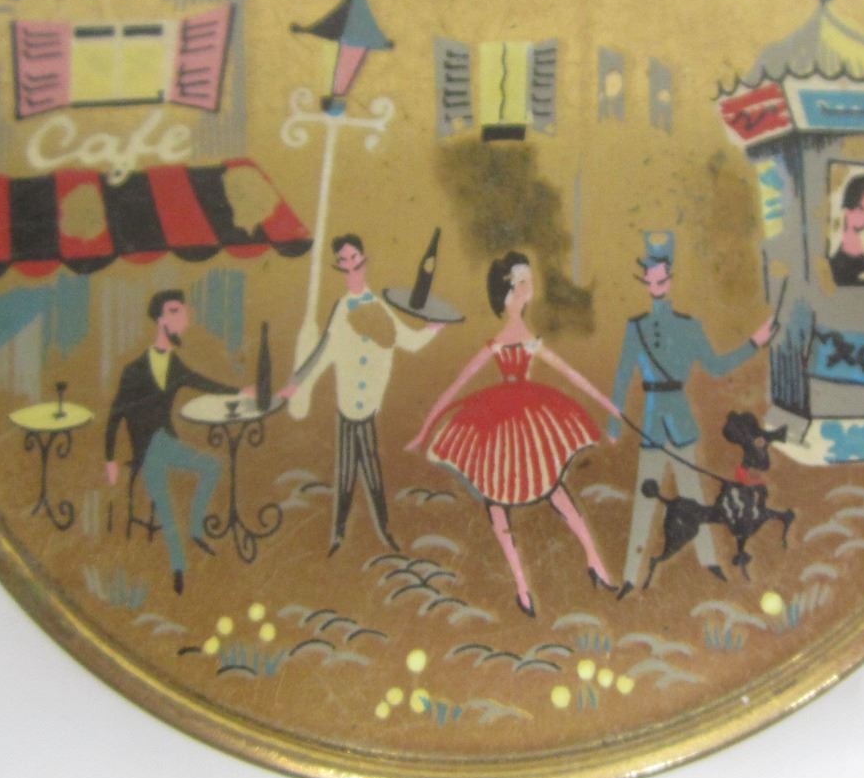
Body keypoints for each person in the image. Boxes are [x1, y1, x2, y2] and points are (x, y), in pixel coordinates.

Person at [406, 252, 617, 618]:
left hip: (529, 418)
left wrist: (609, 405)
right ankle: (522, 585)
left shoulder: (529, 339)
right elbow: (457, 384)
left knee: (551, 488)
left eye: (527, 280)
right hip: (499, 424)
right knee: (500, 499)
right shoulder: (499, 341)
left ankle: (593, 559)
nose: (526, 287)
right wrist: (426, 427)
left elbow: (570, 374)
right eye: (519, 282)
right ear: (504, 294)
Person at [608, 231, 777, 598]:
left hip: (682, 422)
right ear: (645, 279)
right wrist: (613, 421)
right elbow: (622, 375)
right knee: (645, 499)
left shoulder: (689, 326)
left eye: (661, 275)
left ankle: (710, 563)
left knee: (695, 497)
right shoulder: (635, 328)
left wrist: (754, 342)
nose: (656, 283)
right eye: (650, 276)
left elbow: (716, 366)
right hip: (652, 424)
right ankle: (630, 575)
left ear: (669, 277)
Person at [280, 234, 446, 555]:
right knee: (346, 473)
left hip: (368, 406)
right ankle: (339, 533)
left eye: (355, 259)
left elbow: (409, 341)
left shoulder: (379, 307)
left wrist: (434, 328)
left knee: (371, 472)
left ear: (364, 260)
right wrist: (298, 382)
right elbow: (322, 352)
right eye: (344, 262)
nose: (351, 266)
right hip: (347, 407)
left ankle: (383, 530)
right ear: (339, 267)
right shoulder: (342, 309)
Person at [104, 290, 244, 595]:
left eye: (183, 312)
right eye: (175, 312)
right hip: (147, 450)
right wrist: (110, 459)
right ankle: (179, 567)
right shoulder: (134, 369)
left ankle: (195, 529)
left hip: (166, 442)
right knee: (166, 508)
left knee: (211, 467)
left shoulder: (174, 364)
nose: (183, 319)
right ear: (161, 319)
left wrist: (238, 392)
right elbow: (116, 414)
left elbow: (201, 382)